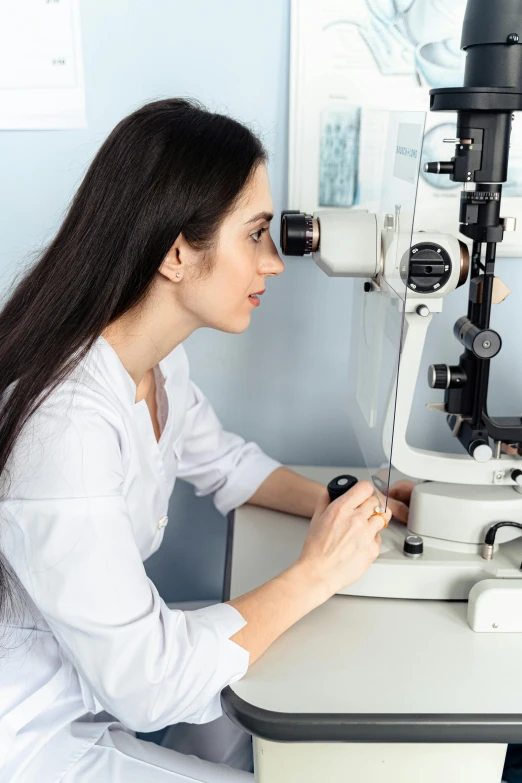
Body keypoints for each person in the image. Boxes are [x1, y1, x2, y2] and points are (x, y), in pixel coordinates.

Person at [0, 98, 411, 783]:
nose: (275, 263)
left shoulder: (152, 364)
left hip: (92, 672)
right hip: (30, 731)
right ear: (177, 252)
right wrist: (316, 572)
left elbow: (225, 463)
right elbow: (148, 682)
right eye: (255, 235)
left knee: (279, 668)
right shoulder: (63, 425)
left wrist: (350, 504)